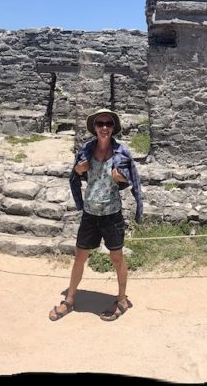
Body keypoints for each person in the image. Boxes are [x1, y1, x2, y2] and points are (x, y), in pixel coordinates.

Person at [49, 108, 143, 322]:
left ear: (113, 128)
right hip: (91, 213)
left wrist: (122, 180)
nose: (104, 128)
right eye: (100, 124)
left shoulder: (122, 152)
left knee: (117, 257)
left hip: (112, 214)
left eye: (108, 124)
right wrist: (79, 171)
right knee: (80, 257)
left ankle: (121, 299)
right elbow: (76, 173)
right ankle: (70, 299)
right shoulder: (86, 151)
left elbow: (132, 180)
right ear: (94, 127)